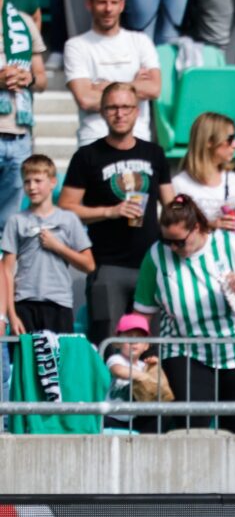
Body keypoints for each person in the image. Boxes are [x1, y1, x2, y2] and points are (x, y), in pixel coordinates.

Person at [133, 195, 235, 432]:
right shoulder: (156, 255)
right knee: (192, 426)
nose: (173, 248)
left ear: (197, 228)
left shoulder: (231, 245)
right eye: (167, 241)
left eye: (179, 242)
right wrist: (136, 346)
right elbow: (142, 311)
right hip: (184, 348)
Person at [59, 82, 175, 344]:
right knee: (107, 343)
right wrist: (110, 211)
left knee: (152, 348)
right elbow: (66, 207)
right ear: (102, 112)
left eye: (126, 107)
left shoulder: (154, 153)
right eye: (112, 107)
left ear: (137, 111)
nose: (119, 113)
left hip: (150, 264)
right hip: (106, 265)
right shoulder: (87, 156)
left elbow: (171, 206)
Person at [1, 155, 94, 335]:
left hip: (59, 304)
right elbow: (6, 271)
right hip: (23, 304)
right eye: (27, 181)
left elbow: (88, 265)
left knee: (58, 354)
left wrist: (58, 247)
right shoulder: (16, 221)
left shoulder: (68, 219)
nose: (32, 187)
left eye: (38, 181)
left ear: (52, 182)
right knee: (25, 354)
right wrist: (11, 315)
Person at [64, 0, 161, 148]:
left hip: (138, 137)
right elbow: (85, 99)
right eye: (102, 2)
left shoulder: (141, 41)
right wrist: (134, 88)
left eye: (113, 2)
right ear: (89, 4)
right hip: (94, 138)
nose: (108, 9)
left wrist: (104, 87)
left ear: (122, 5)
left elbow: (154, 89)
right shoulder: (76, 46)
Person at [0, 0, 46, 231]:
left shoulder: (24, 22)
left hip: (19, 135)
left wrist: (28, 78)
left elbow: (41, 79)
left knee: (10, 221)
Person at [172, 112, 235, 246]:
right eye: (230, 139)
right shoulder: (179, 184)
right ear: (209, 141)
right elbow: (173, 234)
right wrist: (209, 226)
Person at [103, 311, 161, 433]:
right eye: (129, 336)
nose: (133, 341)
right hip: (113, 417)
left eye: (139, 337)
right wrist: (144, 375)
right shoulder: (116, 359)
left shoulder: (143, 365)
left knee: (159, 416)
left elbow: (156, 386)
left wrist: (155, 367)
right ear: (118, 342)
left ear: (146, 345)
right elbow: (118, 371)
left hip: (135, 418)